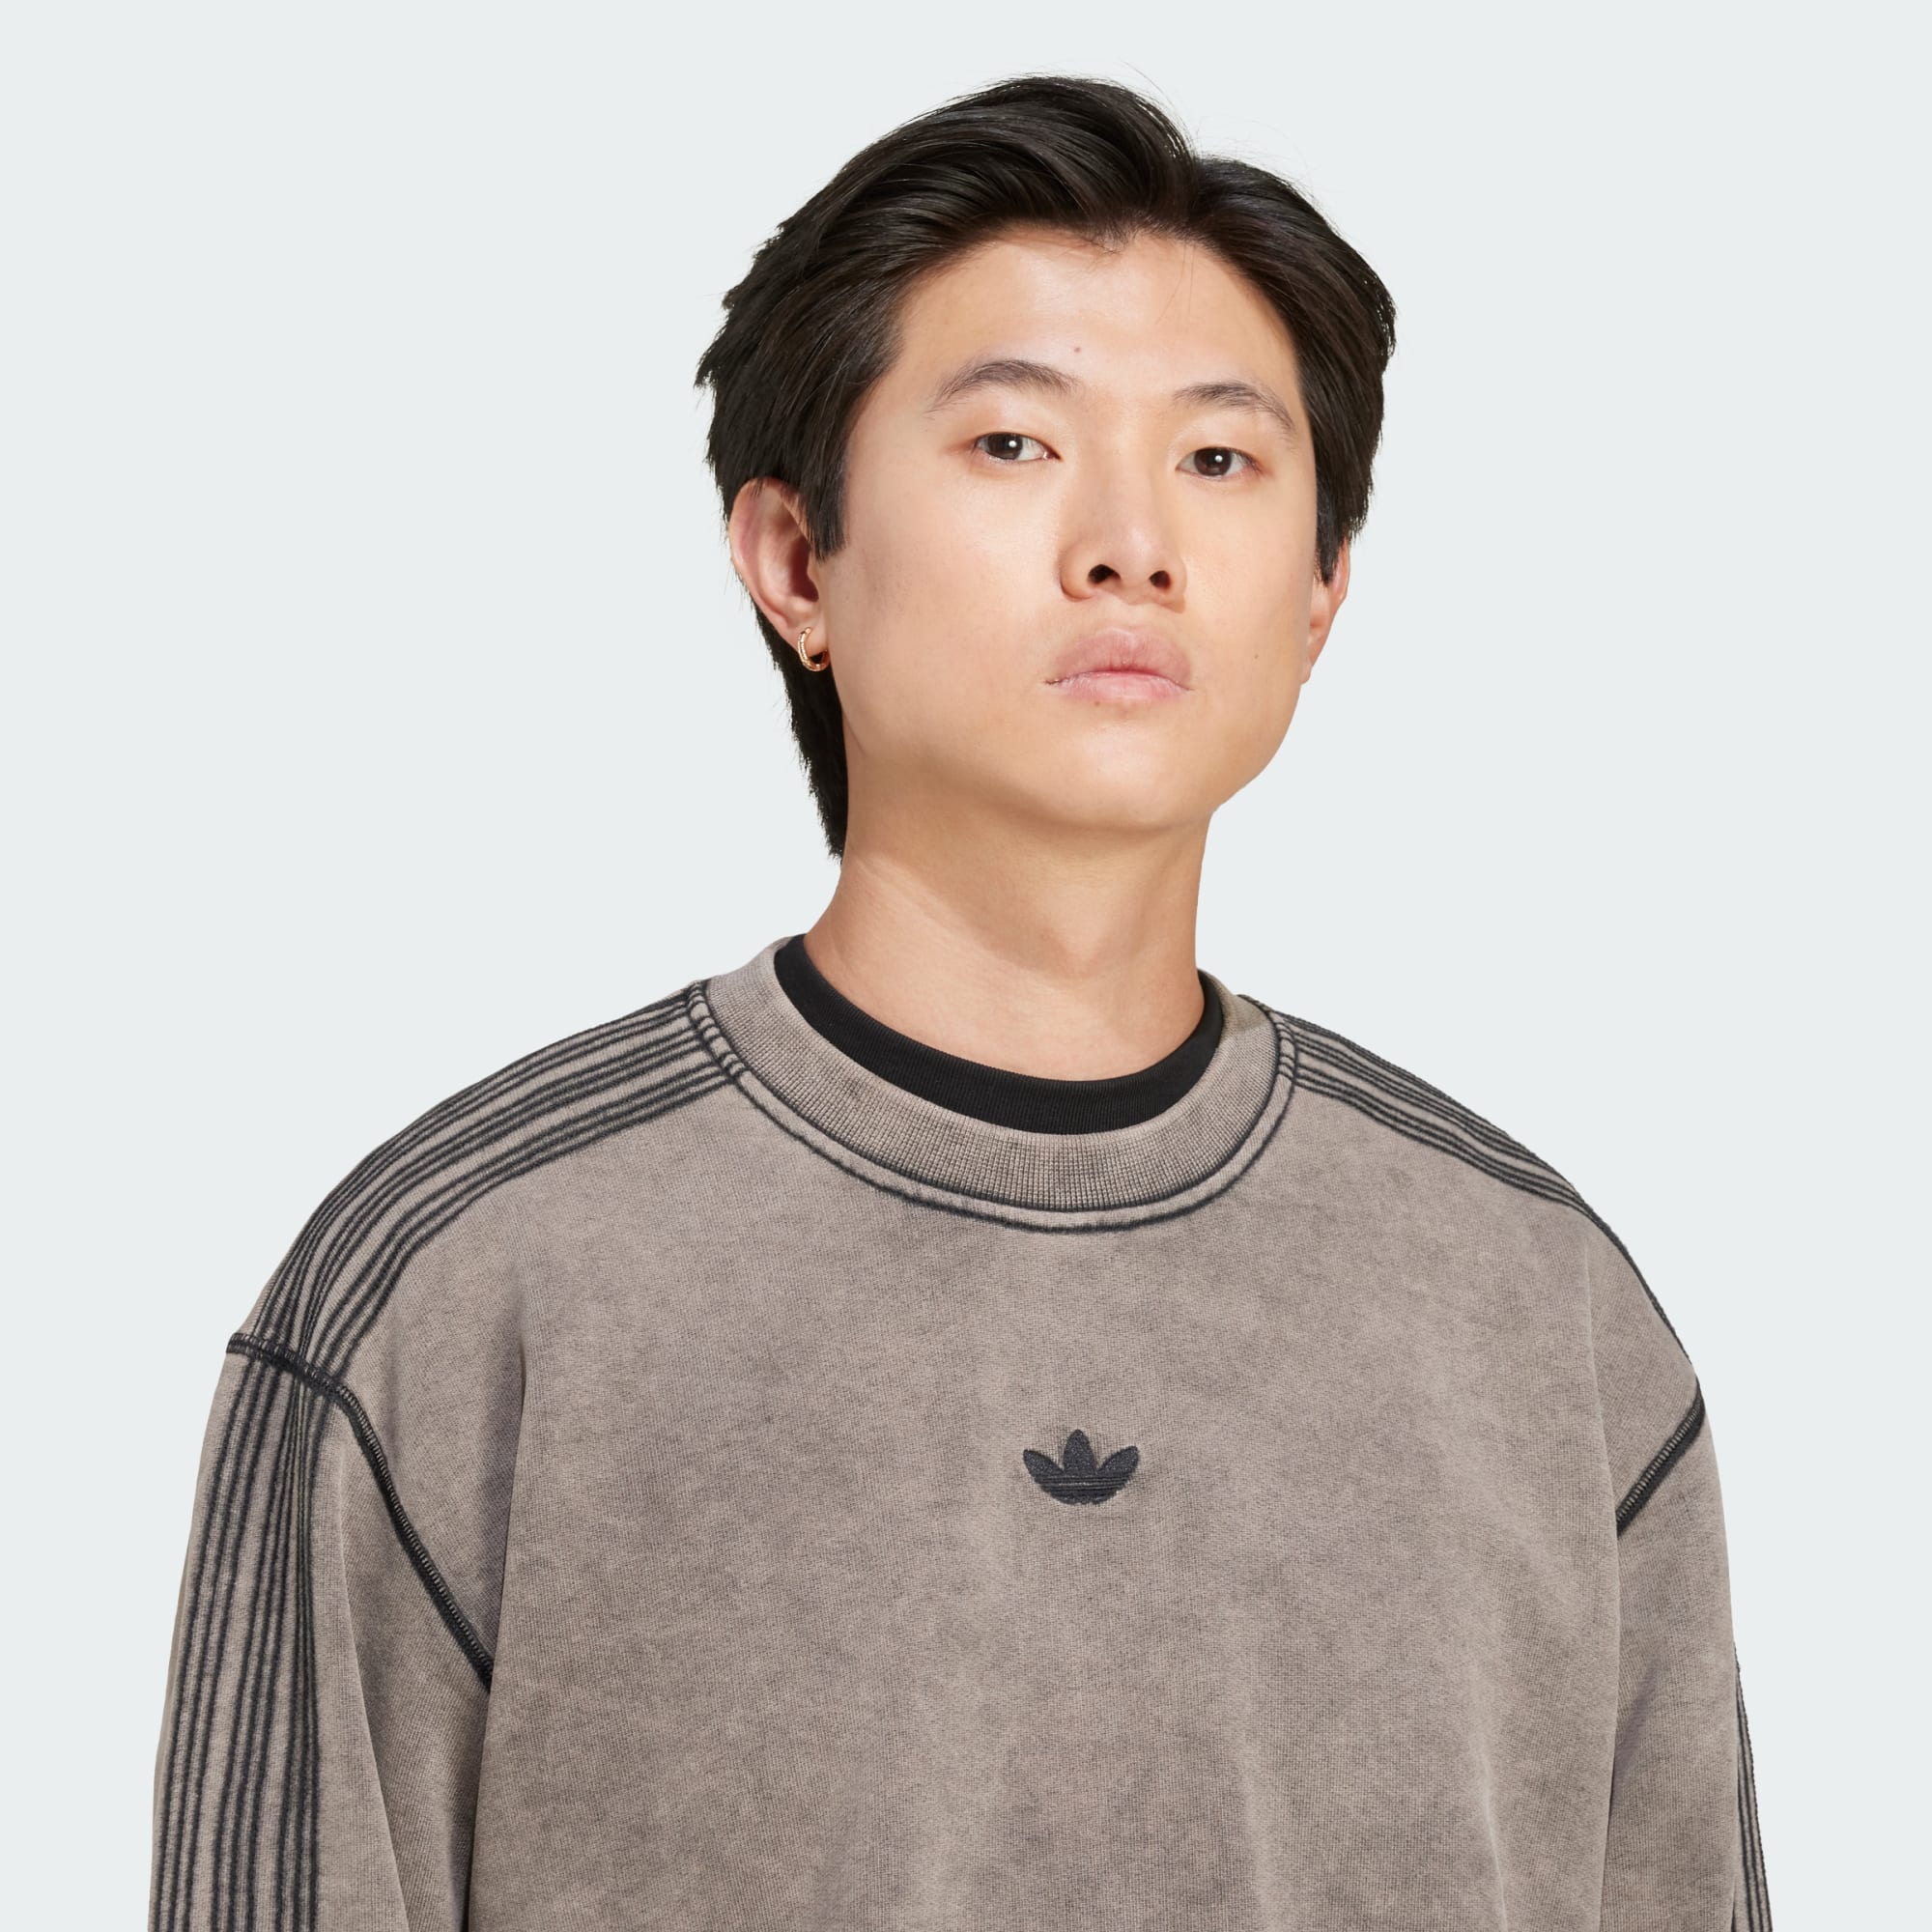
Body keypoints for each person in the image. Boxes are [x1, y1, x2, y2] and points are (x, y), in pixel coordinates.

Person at [148, 72, 1772, 1930]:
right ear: (795, 561)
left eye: (1220, 460)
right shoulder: (456, 1286)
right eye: (1014, 443)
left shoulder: (1541, 1310)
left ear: (1322, 594)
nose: (1130, 544)